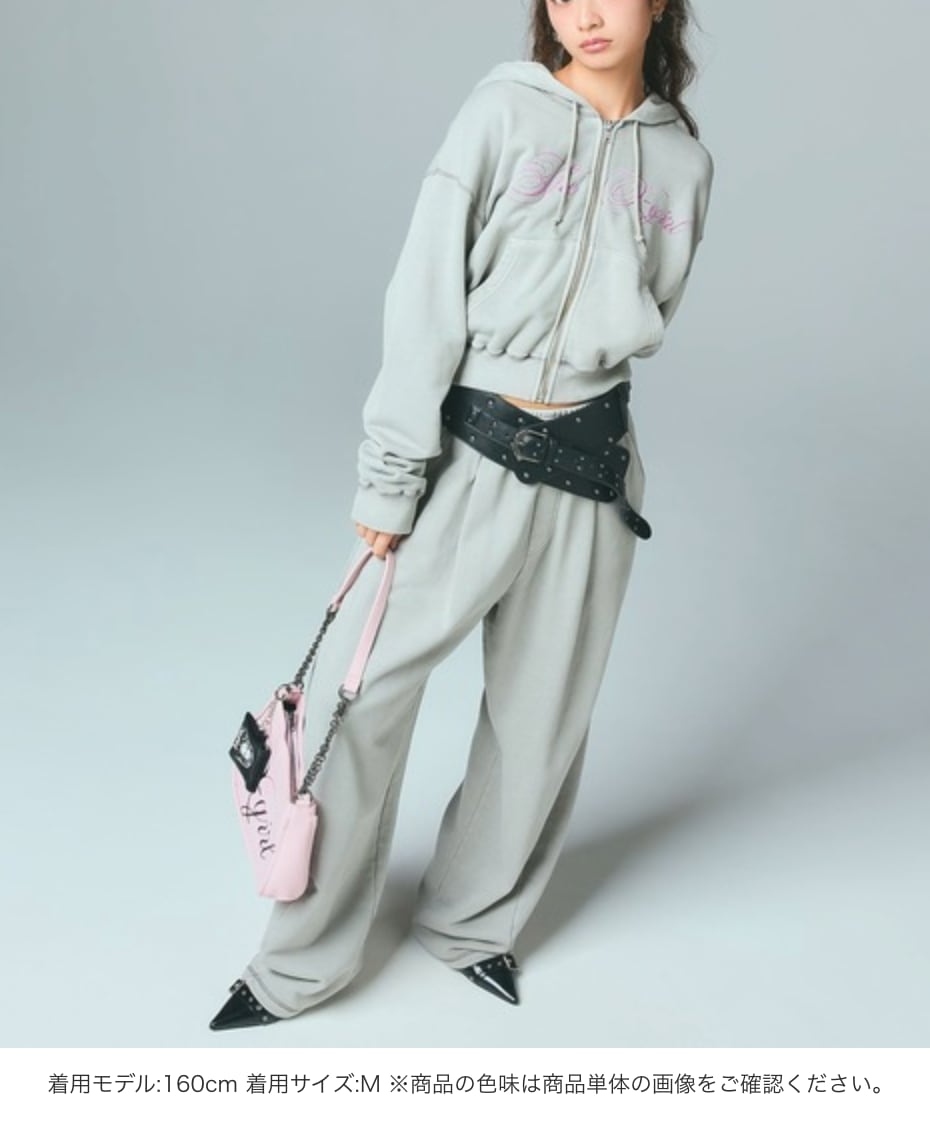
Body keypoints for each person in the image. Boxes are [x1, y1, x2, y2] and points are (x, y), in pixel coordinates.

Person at [210, 0, 713, 1030]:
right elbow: (425, 299)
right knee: (359, 701)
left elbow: (650, 308)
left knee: (540, 722)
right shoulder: (500, 114)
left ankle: (472, 924)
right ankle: (300, 961)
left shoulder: (683, 164)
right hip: (467, 456)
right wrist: (394, 473)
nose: (584, 14)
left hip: (593, 473)